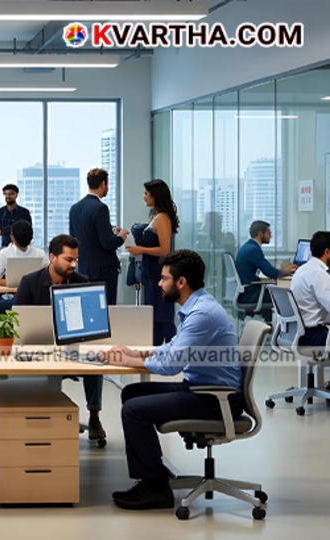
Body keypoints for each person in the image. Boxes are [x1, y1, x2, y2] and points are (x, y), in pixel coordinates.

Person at [104, 250, 242, 511]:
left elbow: (170, 365)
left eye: (164, 278)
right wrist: (136, 354)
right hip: (202, 388)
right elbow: (171, 348)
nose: (159, 283)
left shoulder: (202, 315)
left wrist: (126, 361)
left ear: (181, 282)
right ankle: (153, 472)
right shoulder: (197, 307)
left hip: (216, 398)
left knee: (133, 410)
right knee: (132, 393)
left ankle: (155, 488)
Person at [13, 234, 106, 441]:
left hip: (71, 348)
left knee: (95, 364)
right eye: (68, 259)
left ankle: (94, 418)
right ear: (52, 257)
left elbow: (89, 320)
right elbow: (17, 321)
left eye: (76, 259)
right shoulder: (30, 282)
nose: (74, 264)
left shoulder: (81, 281)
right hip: (38, 350)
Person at [126, 180, 180, 345]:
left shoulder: (162, 218)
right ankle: (155, 354)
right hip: (151, 275)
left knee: (163, 320)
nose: (144, 197)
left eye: (146, 194)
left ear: (154, 195)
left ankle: (177, 354)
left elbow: (164, 250)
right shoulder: (155, 216)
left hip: (159, 275)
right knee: (155, 321)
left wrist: (140, 249)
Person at [69, 167, 128, 305]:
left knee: (87, 308)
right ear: (103, 184)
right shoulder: (101, 208)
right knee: (106, 308)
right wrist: (121, 237)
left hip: (82, 270)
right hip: (103, 271)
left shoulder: (74, 208)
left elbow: (74, 239)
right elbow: (107, 243)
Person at [236, 220, 296, 307]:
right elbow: (271, 273)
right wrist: (286, 271)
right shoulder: (253, 249)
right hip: (251, 294)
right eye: (269, 233)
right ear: (260, 234)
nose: (271, 236)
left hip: (246, 292)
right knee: (286, 296)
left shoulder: (247, 246)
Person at [289, 231, 330, 349]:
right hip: (312, 336)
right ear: (327, 252)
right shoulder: (319, 274)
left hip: (298, 333)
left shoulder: (302, 269)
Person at [0, 220, 50, 287]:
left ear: (12, 237)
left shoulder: (40, 254)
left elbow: (50, 275)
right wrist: (12, 283)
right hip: (12, 291)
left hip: (34, 292)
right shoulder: (5, 253)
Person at [0, 183, 32, 248]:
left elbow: (28, 231)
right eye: (6, 194)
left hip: (20, 244)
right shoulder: (0, 212)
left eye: (11, 194)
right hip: (4, 244)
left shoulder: (24, 212)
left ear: (16, 195)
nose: (8, 196)